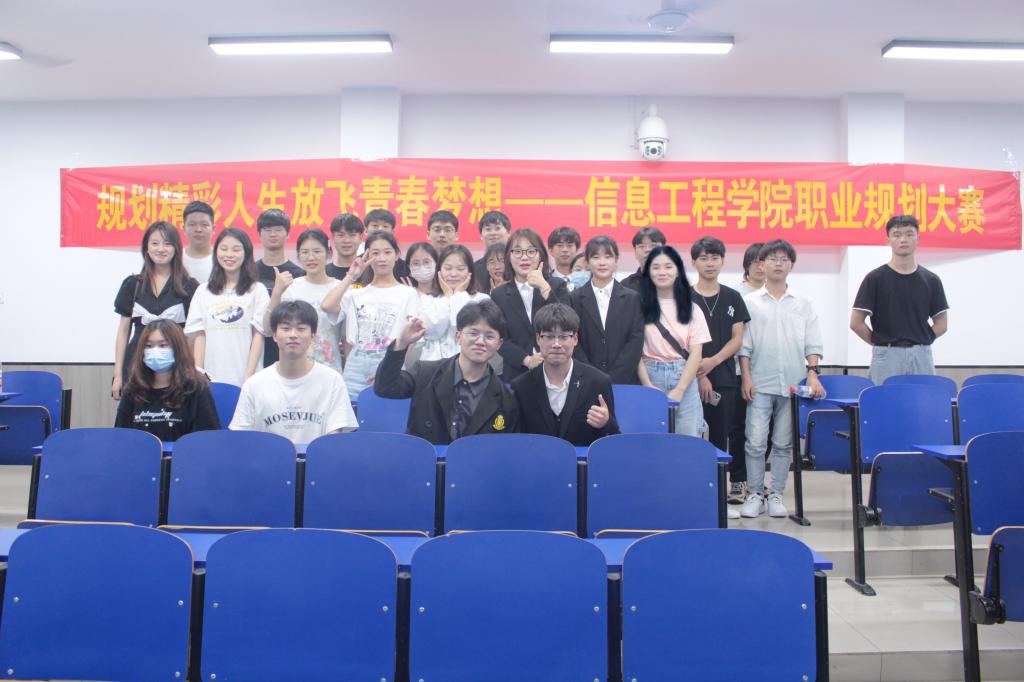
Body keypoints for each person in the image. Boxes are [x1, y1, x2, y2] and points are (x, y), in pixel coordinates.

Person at [739, 239, 824, 518]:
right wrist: (746, 378)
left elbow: (812, 343)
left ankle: (776, 494)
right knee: (755, 441)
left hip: (792, 384)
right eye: (772, 259)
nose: (778, 263)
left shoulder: (804, 303)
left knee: (784, 443)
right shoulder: (750, 302)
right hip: (759, 383)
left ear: (791, 266)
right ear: (761, 265)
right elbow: (744, 346)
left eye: (784, 259)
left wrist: (812, 374)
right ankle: (755, 493)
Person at [373, 300, 519, 444]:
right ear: (458, 337)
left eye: (489, 336)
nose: (480, 341)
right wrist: (402, 342)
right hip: (425, 458)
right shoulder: (425, 373)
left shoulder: (506, 399)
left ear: (499, 344)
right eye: (473, 333)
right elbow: (385, 388)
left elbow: (504, 448)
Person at [230, 301, 357, 443]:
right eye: (285, 328)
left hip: (315, 457)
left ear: (313, 335)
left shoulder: (332, 380)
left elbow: (334, 441)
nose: (293, 335)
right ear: (274, 335)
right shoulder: (254, 384)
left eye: (301, 328)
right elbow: (241, 438)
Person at [851, 214, 949, 385]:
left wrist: (922, 339)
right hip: (886, 355)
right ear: (888, 240)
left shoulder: (931, 280)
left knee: (923, 399)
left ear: (918, 239)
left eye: (909, 234)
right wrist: (879, 343)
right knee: (885, 400)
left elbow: (942, 324)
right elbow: (856, 323)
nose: (903, 239)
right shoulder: (875, 279)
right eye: (897, 235)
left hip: (921, 354)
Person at [322, 230, 421, 397]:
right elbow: (327, 306)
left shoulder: (408, 294)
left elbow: (411, 340)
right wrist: (351, 276)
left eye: (387, 252)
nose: (382, 258)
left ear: (397, 255)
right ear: (367, 257)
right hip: (356, 364)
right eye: (375, 253)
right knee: (352, 411)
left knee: (388, 410)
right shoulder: (355, 294)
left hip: (390, 359)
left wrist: (390, 369)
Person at [690, 236, 751, 503]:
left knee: (724, 434)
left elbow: (737, 339)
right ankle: (700, 487)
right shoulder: (685, 297)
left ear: (723, 261)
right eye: (703, 258)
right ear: (694, 262)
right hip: (691, 378)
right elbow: (683, 339)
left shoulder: (733, 297)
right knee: (693, 436)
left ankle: (728, 486)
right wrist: (701, 374)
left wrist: (713, 362)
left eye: (715, 257)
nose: (710, 263)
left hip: (725, 377)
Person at [112, 221, 199, 399]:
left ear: (176, 248)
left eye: (167, 243)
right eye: (155, 243)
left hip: (176, 368)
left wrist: (192, 371)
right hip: (135, 365)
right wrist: (118, 375)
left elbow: (194, 336)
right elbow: (123, 331)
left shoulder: (189, 286)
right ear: (146, 247)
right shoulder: (132, 284)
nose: (161, 249)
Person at [512, 303, 619, 446]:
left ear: (575, 339)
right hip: (538, 458)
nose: (556, 344)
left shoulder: (598, 382)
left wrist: (606, 423)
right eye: (549, 336)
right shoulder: (522, 387)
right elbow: (516, 441)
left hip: (581, 460)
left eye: (563, 337)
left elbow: (615, 440)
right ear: (538, 339)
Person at [637, 245, 710, 437]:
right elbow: (634, 352)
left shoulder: (692, 309)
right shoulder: (638, 307)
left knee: (688, 439)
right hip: (650, 375)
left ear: (678, 271)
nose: (662, 272)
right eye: (656, 267)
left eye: (668, 266)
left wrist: (680, 389)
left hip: (684, 376)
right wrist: (647, 384)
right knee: (651, 441)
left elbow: (696, 353)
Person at [184, 228, 269, 387]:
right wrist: (200, 374)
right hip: (211, 379)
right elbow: (200, 335)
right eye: (224, 249)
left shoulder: (257, 290)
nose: (229, 254)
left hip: (247, 379)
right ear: (216, 252)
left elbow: (259, 334)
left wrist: (249, 375)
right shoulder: (203, 291)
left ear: (246, 253)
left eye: (236, 250)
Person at [115, 319, 220, 440]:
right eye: (148, 346)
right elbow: (120, 438)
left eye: (163, 345)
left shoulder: (197, 388)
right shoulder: (133, 389)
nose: (155, 351)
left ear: (177, 349)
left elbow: (208, 440)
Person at [490, 228, 571, 382]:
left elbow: (567, 323)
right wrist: (527, 360)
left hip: (557, 368)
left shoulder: (556, 285)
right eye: (517, 251)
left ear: (541, 255)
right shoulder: (498, 295)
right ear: (508, 256)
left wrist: (544, 287)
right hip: (517, 373)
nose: (524, 257)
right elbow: (499, 338)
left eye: (531, 251)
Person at [264, 229, 344, 374]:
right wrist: (276, 292)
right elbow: (268, 330)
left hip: (329, 369)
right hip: (293, 370)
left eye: (317, 251)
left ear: (329, 254)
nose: (311, 257)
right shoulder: (290, 288)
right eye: (305, 252)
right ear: (298, 256)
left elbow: (347, 337)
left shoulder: (341, 289)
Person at [569, 236, 644, 385]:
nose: (602, 262)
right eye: (596, 257)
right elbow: (573, 340)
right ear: (587, 261)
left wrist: (614, 378)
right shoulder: (574, 298)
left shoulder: (632, 298)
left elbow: (635, 341)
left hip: (624, 382)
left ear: (616, 259)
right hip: (586, 382)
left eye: (608, 256)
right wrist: (591, 376)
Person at [421, 244, 491, 361]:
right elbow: (432, 331)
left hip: (468, 364)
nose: (453, 274)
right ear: (439, 271)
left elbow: (462, 327)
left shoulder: (482, 299)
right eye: (448, 268)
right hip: (432, 364)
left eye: (460, 269)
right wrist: (448, 296)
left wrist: (458, 295)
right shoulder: (427, 300)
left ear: (470, 272)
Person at [255, 209, 304, 367]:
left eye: (278, 229)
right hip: (256, 346)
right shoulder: (249, 272)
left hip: (288, 347)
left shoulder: (299, 274)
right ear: (259, 234)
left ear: (288, 234)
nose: (272, 234)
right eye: (267, 229)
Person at [621, 226, 666, 291]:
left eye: (653, 245)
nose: (647, 250)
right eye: (642, 246)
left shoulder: (675, 283)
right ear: (635, 252)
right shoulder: (625, 286)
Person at [473, 211, 511, 286]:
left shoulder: (518, 262)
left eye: (497, 228)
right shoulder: (474, 268)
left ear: (508, 232)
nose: (493, 233)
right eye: (488, 229)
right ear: (481, 235)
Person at [181, 200, 216, 284]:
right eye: (192, 224)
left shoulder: (221, 259)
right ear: (184, 228)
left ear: (213, 229)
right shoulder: (176, 258)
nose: (198, 229)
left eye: (204, 224)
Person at [325, 212, 365, 280]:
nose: (347, 240)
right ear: (333, 238)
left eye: (352, 235)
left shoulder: (369, 272)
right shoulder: (323, 273)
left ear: (361, 238)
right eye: (341, 235)